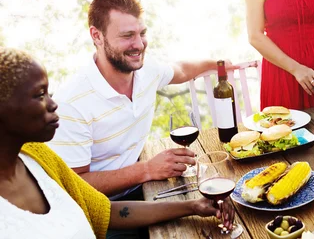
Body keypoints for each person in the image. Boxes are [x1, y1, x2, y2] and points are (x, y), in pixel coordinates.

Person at [0, 47, 234, 238]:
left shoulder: (38, 156)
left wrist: (193, 206)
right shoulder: (74, 101)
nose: (53, 104)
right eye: (40, 95)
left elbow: (107, 212)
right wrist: (147, 170)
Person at [47, 0, 232, 201]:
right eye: (127, 36)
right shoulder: (71, 103)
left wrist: (217, 64)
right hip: (101, 209)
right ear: (96, 36)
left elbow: (180, 70)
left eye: (142, 33)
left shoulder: (146, 70)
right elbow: (75, 185)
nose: (139, 44)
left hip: (144, 189)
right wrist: (147, 170)